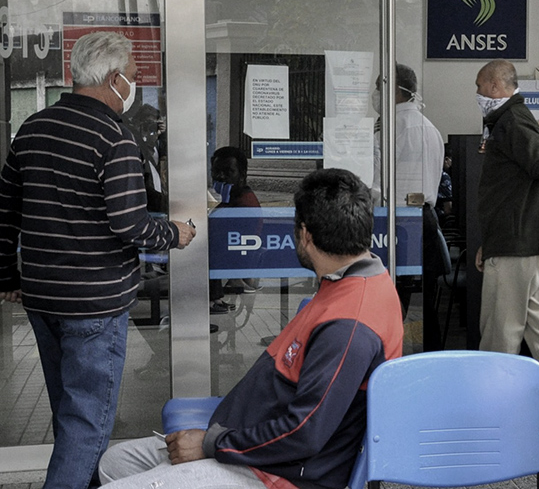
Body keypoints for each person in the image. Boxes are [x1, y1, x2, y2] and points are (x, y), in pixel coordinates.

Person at [98, 168, 404, 489]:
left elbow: (304, 434)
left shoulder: (349, 323)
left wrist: (210, 444)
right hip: (244, 444)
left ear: (305, 235)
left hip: (276, 473)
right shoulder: (348, 281)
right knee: (116, 462)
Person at [0, 31, 196, 489]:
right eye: (130, 77)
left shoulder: (33, 127)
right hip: (94, 305)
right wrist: (176, 233)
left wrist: (7, 274)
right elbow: (131, 225)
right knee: (87, 427)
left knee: (72, 415)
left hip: (43, 297)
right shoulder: (114, 137)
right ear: (113, 78)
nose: (133, 85)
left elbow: (5, 211)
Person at [474, 59, 539, 443]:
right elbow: (512, 191)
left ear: (495, 86)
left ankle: (492, 418)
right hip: (525, 246)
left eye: (480, 88)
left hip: (520, 253)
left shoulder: (512, 122)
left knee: (499, 336)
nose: (478, 96)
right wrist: (492, 240)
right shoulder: (509, 122)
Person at [371, 63, 445, 317]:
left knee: (392, 300)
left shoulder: (390, 128)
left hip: (397, 221)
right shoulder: (431, 128)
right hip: (426, 220)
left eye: (378, 88)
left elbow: (377, 181)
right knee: (425, 305)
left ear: (395, 90)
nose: (375, 95)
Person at [209, 146, 261, 311]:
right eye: (216, 172)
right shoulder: (232, 198)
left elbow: (219, 241)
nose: (221, 177)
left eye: (228, 172)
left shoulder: (243, 203)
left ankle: (213, 299)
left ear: (242, 174)